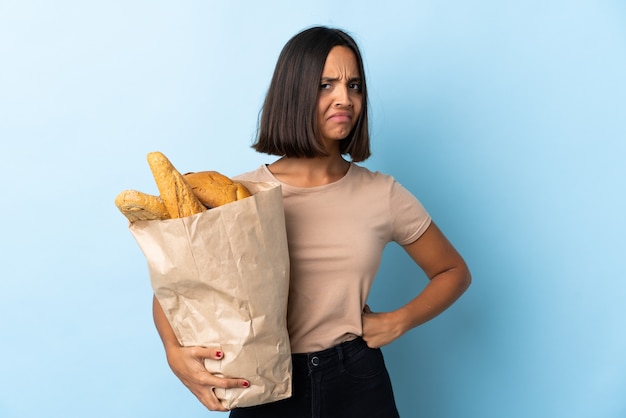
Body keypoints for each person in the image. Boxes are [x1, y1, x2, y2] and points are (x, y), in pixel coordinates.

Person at [152, 26, 471, 417]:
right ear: (295, 92)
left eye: (354, 86)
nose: (345, 98)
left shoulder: (381, 194)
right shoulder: (238, 195)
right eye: (326, 85)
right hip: (265, 384)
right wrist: (174, 353)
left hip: (356, 380)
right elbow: (177, 289)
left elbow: (453, 271)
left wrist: (398, 321)